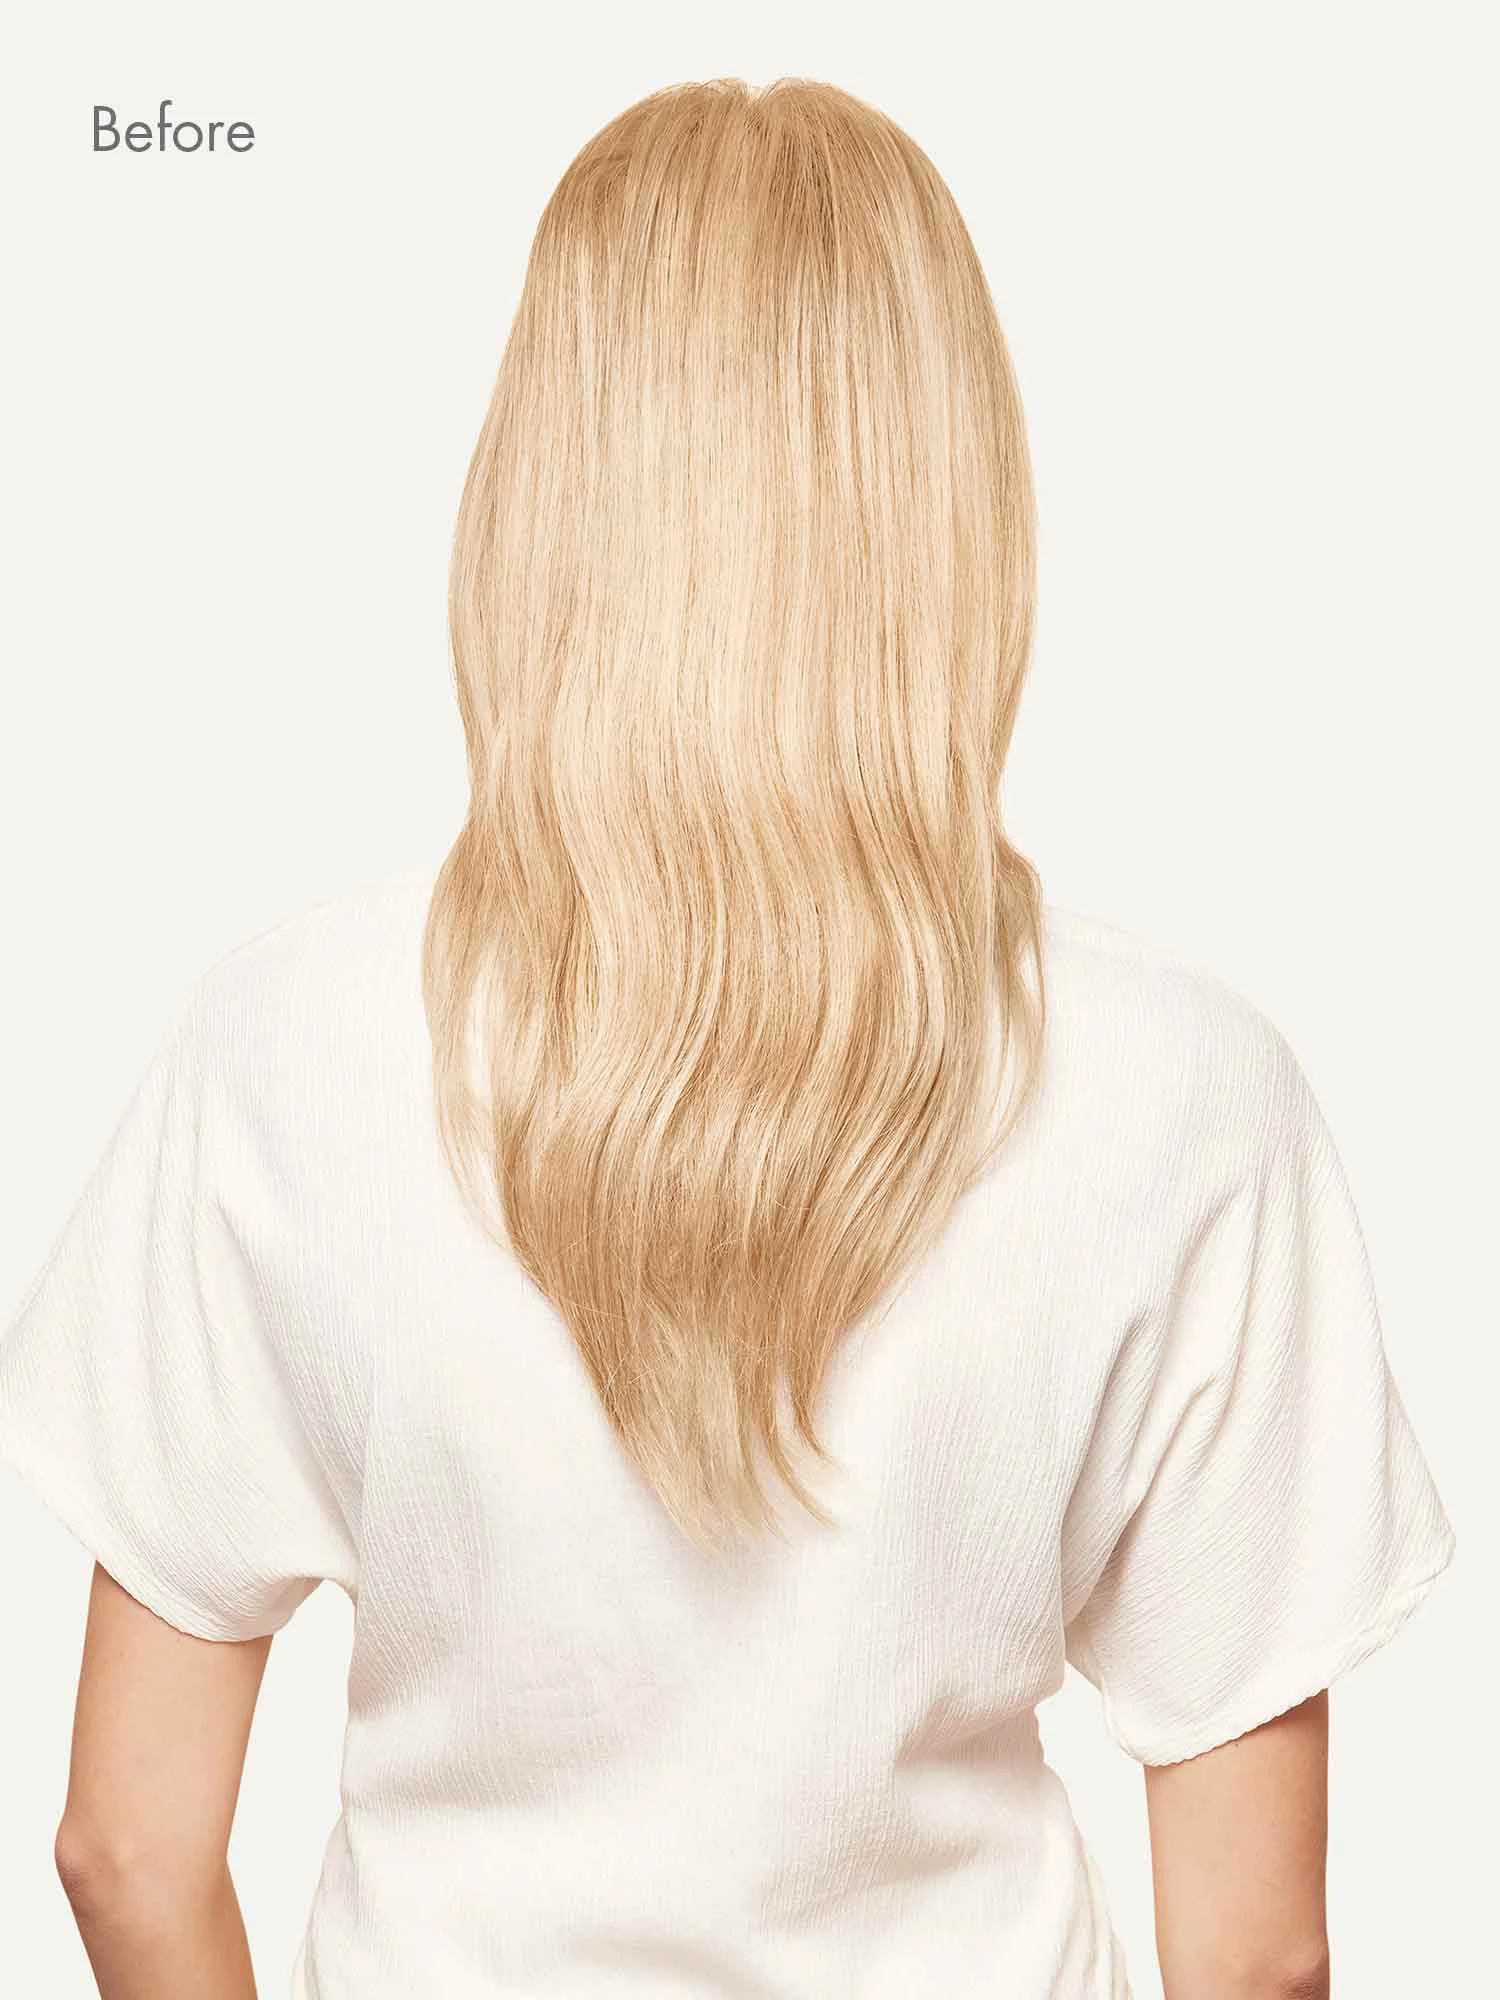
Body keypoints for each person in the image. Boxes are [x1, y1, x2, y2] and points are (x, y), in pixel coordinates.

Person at [0, 76, 1453, 2000]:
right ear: (958, 498)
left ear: (540, 486)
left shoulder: (286, 1048)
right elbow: (1257, 1958)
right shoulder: (1186, 1093)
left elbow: (124, 1848)